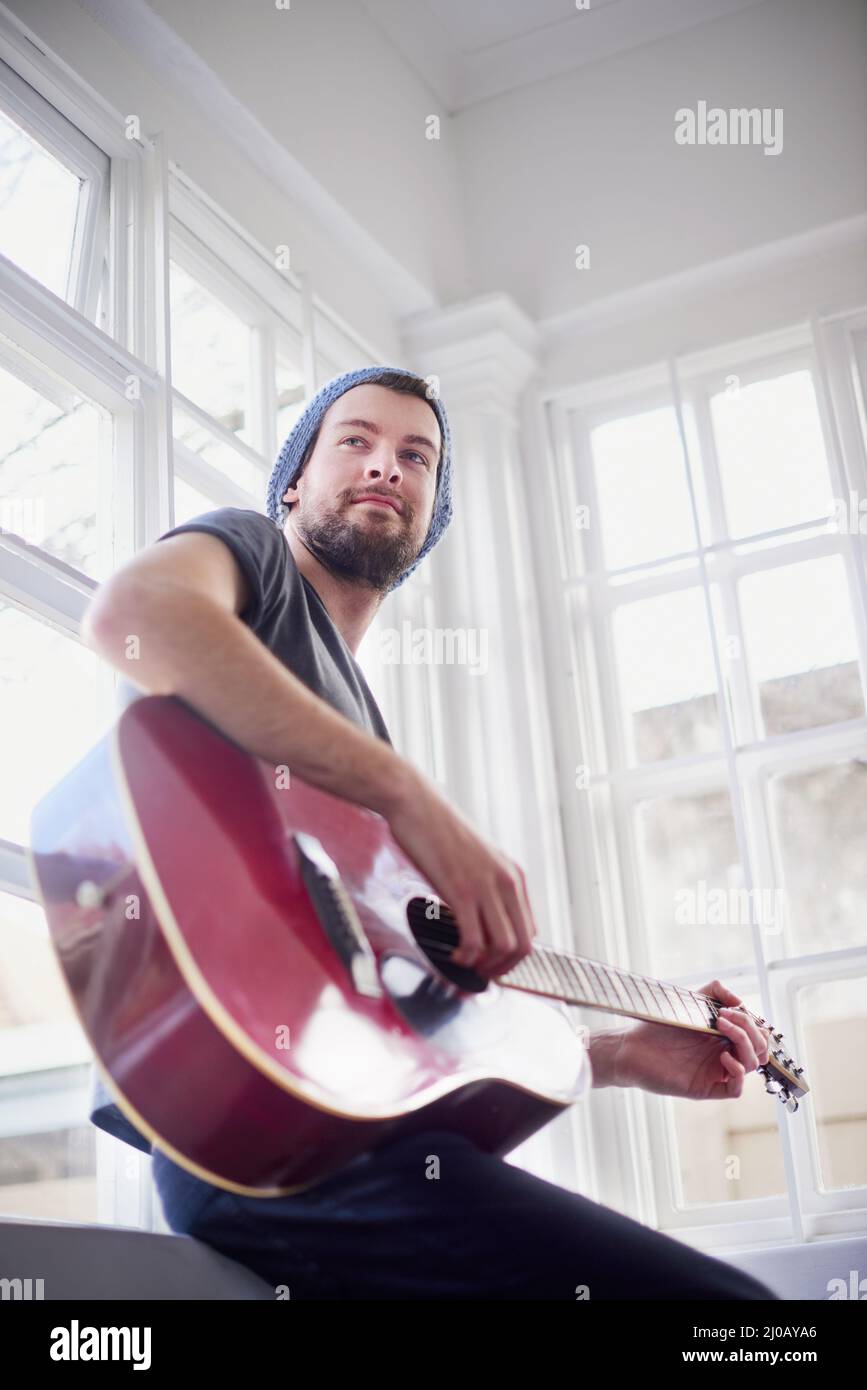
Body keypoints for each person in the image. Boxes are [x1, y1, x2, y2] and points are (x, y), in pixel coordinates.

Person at [82, 365, 778, 1300]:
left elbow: (408, 1053)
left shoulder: (352, 746)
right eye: (355, 441)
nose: (386, 467)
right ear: (293, 481)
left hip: (349, 1144)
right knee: (741, 1324)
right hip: (254, 1152)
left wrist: (611, 1054)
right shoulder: (253, 560)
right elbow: (136, 616)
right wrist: (409, 797)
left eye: (417, 457)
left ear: (429, 512)